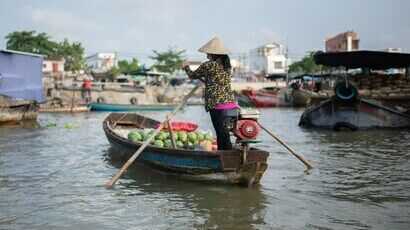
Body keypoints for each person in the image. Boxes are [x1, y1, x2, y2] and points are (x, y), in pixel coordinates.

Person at [181, 37, 237, 150]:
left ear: (214, 54)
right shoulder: (227, 67)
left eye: (208, 53)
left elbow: (192, 75)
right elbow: (216, 79)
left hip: (217, 105)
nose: (206, 55)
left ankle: (224, 156)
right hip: (231, 105)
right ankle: (227, 154)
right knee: (225, 134)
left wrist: (185, 67)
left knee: (221, 133)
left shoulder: (208, 65)